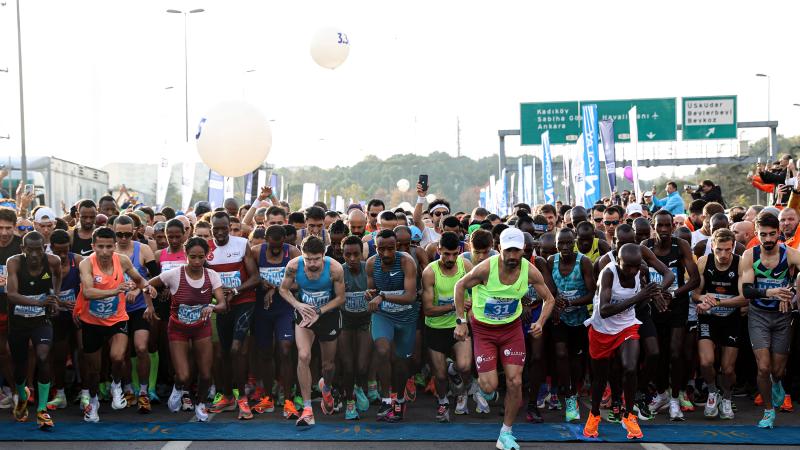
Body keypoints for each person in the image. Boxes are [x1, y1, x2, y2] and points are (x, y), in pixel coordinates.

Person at [454, 228, 555, 450]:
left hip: (511, 330)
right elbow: (459, 286)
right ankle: (480, 386)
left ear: (523, 251)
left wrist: (540, 323)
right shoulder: (485, 269)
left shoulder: (530, 271)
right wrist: (460, 321)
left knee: (515, 381)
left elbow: (549, 299)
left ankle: (506, 433)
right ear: (499, 248)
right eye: (508, 250)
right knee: (490, 386)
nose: (512, 255)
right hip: (484, 330)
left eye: (516, 251)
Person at [75, 226, 152, 423]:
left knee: (118, 357)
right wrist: (116, 290)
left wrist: (148, 288)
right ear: (93, 246)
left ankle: (117, 386)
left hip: (117, 318)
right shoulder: (86, 264)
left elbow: (139, 279)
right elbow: (88, 293)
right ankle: (93, 402)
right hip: (92, 321)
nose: (105, 251)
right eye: (100, 246)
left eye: (109, 246)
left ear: (114, 246)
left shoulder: (122, 260)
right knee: (94, 370)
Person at [583, 244, 660, 440]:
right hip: (602, 329)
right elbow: (604, 310)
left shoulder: (640, 271)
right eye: (628, 267)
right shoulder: (607, 274)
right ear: (618, 262)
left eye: (636, 266)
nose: (632, 271)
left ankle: (629, 415)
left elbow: (664, 279)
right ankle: (594, 414)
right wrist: (639, 297)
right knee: (600, 378)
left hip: (627, 325)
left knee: (630, 368)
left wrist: (657, 295)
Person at [145, 237, 227, 422]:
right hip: (178, 330)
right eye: (192, 257)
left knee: (206, 374)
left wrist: (212, 307)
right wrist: (149, 306)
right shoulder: (174, 274)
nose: (197, 261)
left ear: (207, 256)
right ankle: (178, 387)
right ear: (186, 255)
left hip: (201, 329)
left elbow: (222, 304)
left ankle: (199, 404)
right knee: (183, 374)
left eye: (201, 257)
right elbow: (147, 285)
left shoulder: (211, 276)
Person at [739, 212, 800, 428]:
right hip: (759, 315)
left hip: (783, 316)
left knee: (777, 370)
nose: (768, 239)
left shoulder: (790, 254)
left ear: (779, 233)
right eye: (763, 234)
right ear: (756, 234)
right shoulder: (749, 255)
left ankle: (777, 383)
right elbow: (746, 291)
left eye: (772, 234)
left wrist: (792, 293)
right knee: (763, 368)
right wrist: (772, 292)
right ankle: (768, 411)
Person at [278, 235, 346, 427]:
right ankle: (307, 409)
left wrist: (320, 311)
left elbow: (341, 298)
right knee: (304, 356)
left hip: (327, 314)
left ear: (323, 255)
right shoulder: (293, 265)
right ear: (302, 254)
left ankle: (327, 387)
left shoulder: (334, 268)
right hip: (305, 314)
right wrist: (298, 305)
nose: (312, 263)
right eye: (308, 259)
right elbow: (283, 290)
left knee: (328, 365)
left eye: (316, 259)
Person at [644, 210, 700, 420]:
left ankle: (675, 398)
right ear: (654, 225)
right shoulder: (646, 247)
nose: (664, 230)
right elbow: (639, 278)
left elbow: (694, 279)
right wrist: (655, 295)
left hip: (677, 304)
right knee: (657, 354)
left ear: (673, 227)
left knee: (676, 353)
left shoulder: (681, 246)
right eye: (660, 225)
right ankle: (661, 395)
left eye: (668, 225)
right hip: (653, 306)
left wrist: (673, 293)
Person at [206, 212, 261, 419]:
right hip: (222, 306)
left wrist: (235, 291)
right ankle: (228, 395)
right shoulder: (207, 248)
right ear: (211, 228)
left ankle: (242, 399)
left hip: (244, 302)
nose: (220, 232)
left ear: (230, 226)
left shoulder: (241, 244)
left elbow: (255, 277)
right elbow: (204, 280)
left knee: (237, 349)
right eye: (216, 229)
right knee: (223, 353)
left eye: (223, 228)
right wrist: (219, 296)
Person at [5, 231, 61, 429]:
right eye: (31, 250)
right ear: (23, 249)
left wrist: (54, 298)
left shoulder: (52, 261)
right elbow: (11, 295)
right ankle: (22, 397)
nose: (36, 254)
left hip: (41, 322)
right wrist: (37, 302)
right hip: (18, 324)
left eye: (40, 249)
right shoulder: (14, 263)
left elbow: (57, 278)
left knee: (43, 357)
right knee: (19, 367)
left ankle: (42, 410)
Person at [692, 229, 746, 420]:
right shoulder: (703, 262)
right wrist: (702, 299)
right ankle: (713, 392)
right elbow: (695, 294)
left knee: (728, 368)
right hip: (709, 317)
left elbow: (744, 299)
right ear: (712, 247)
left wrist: (718, 302)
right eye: (719, 250)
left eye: (727, 250)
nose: (723, 255)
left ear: (733, 248)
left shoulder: (740, 263)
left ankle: (727, 397)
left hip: (731, 318)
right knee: (706, 362)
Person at [421, 231, 475, 422]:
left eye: (454, 254)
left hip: (459, 325)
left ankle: (460, 389)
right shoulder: (430, 272)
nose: (450, 259)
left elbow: (477, 292)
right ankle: (443, 401)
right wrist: (455, 305)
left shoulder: (466, 266)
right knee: (440, 375)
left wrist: (470, 312)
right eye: (446, 254)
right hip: (435, 328)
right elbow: (428, 310)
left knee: (465, 365)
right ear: (439, 250)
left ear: (459, 251)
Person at [367, 229, 419, 422]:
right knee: (382, 350)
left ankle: (398, 397)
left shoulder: (406, 262)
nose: (386, 253)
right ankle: (386, 399)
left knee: (400, 362)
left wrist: (382, 296)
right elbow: (371, 291)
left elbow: (410, 296)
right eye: (382, 249)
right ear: (375, 248)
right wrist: (370, 295)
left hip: (406, 317)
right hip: (384, 316)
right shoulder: (372, 264)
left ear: (397, 246)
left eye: (391, 248)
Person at [250, 224, 300, 419]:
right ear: (266, 242)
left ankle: (288, 399)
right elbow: (251, 277)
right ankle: (268, 397)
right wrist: (262, 283)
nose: (277, 249)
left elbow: (301, 282)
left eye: (280, 245)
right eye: (273, 246)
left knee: (286, 349)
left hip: (285, 307)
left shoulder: (293, 252)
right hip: (262, 308)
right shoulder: (256, 252)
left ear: (284, 242)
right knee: (264, 352)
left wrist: (277, 288)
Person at [548, 228, 595, 422]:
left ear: (574, 242)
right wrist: (555, 301)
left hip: (579, 318)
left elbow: (592, 293)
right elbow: (548, 289)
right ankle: (568, 396)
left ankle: (573, 391)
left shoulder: (583, 262)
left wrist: (571, 303)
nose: (565, 247)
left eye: (568, 243)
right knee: (560, 353)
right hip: (559, 319)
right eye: (561, 243)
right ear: (556, 244)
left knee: (576, 360)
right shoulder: (552, 261)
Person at [113, 215, 159, 413]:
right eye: (119, 234)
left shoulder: (144, 249)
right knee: (121, 354)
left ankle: (143, 391)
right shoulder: (109, 251)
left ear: (134, 231)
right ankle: (127, 388)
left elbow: (154, 277)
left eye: (127, 233)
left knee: (141, 348)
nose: (123, 238)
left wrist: (138, 289)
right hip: (117, 310)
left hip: (140, 306)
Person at [47, 229, 83, 411]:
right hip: (57, 315)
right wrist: (57, 300)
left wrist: (78, 305)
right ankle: (60, 393)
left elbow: (89, 285)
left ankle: (85, 392)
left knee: (83, 350)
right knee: (59, 355)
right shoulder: (45, 263)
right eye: (57, 251)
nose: (61, 255)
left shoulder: (77, 261)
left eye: (65, 250)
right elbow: (42, 288)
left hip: (77, 313)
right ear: (50, 248)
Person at [339, 235, 372, 420]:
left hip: (365, 321)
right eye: (347, 254)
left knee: (361, 366)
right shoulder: (338, 271)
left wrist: (372, 294)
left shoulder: (369, 268)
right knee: (348, 366)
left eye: (356, 254)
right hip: (345, 322)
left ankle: (360, 387)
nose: (352, 258)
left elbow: (379, 292)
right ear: (342, 254)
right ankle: (350, 403)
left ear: (362, 253)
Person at [0, 207, 22, 409]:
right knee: (3, 352)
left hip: (19, 307)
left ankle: (23, 391)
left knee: (22, 351)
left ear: (15, 227)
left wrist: (13, 281)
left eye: (8, 228)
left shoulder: (21, 246)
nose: (4, 232)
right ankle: (14, 391)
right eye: (0, 228)